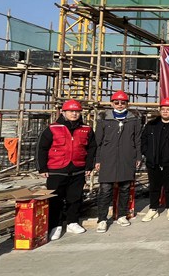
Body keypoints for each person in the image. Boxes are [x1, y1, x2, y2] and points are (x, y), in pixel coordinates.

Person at [37, 99, 96, 240]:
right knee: (55, 199)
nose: (74, 114)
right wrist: (42, 168)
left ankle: (72, 222)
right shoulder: (53, 128)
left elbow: (92, 148)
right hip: (57, 169)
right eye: (71, 111)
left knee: (75, 198)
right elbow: (41, 148)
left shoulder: (86, 129)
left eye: (77, 111)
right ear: (63, 112)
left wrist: (89, 166)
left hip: (78, 169)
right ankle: (55, 225)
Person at [95, 90, 142, 233]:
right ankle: (102, 219)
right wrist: (97, 160)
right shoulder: (104, 119)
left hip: (126, 157)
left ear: (127, 104)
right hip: (107, 158)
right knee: (105, 190)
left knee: (125, 188)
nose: (120, 105)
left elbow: (137, 140)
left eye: (123, 102)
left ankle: (122, 215)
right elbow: (98, 141)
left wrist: (138, 157)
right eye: (117, 102)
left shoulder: (134, 119)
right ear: (112, 104)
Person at [141, 97, 169, 222]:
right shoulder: (151, 125)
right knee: (154, 186)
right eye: (163, 109)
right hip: (154, 161)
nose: (165, 112)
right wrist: (147, 154)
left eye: (168, 110)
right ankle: (153, 208)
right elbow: (143, 141)